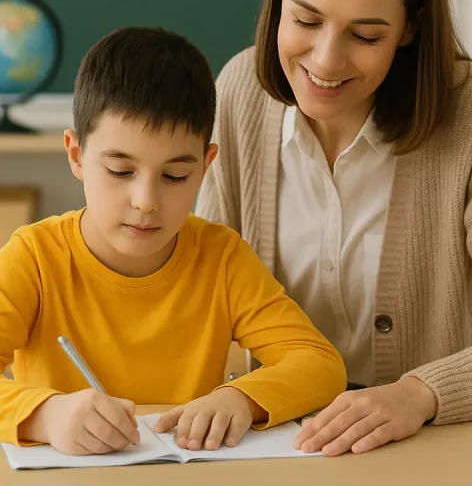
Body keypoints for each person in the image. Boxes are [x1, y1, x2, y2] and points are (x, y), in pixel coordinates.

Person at [195, 0, 472, 456]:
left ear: (409, 28)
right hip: (281, 441)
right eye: (305, 21)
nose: (326, 61)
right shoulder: (238, 93)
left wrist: (418, 394)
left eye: (365, 35)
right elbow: (197, 292)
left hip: (431, 446)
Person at [0, 27, 347, 456]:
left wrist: (241, 398)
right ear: (76, 155)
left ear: (205, 166)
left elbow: (319, 364)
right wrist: (46, 416)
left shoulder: (221, 257)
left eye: (175, 176)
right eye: (121, 171)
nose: (146, 202)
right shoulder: (33, 257)